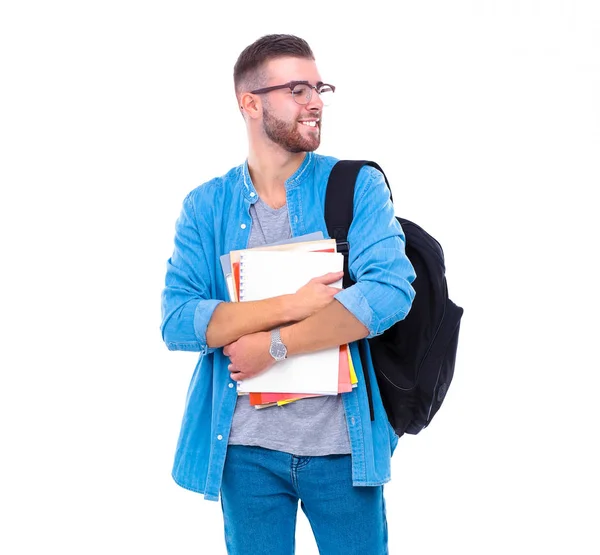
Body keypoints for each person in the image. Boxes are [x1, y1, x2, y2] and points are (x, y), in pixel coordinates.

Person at [161, 33, 416, 554]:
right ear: (249, 103)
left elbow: (390, 290)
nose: (316, 101)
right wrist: (290, 306)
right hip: (243, 451)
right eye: (297, 89)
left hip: (342, 448)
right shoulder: (206, 206)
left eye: (318, 87)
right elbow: (178, 320)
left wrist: (273, 345)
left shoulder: (355, 185)